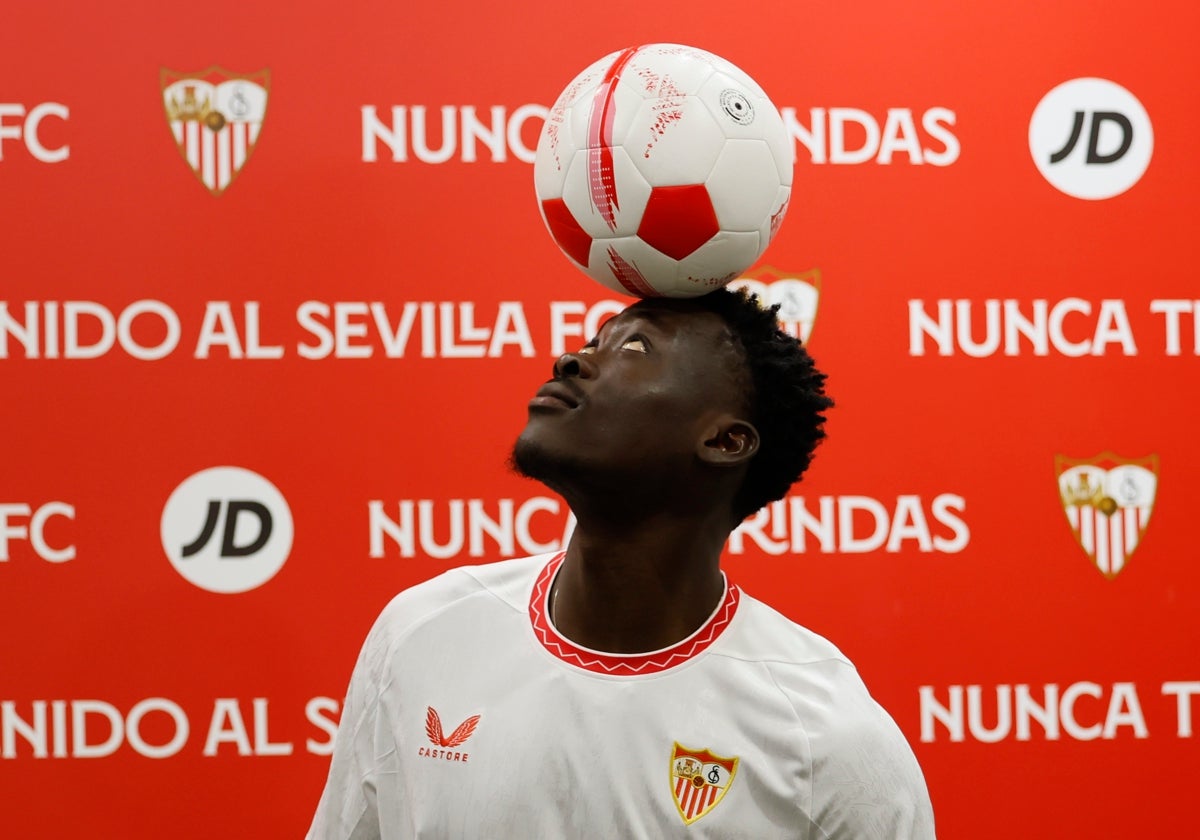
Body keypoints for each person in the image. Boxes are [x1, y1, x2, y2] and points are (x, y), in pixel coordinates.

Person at [307, 288, 935, 838]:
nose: (571, 359)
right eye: (593, 340)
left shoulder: (827, 737)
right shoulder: (422, 632)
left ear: (724, 441)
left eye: (635, 350)